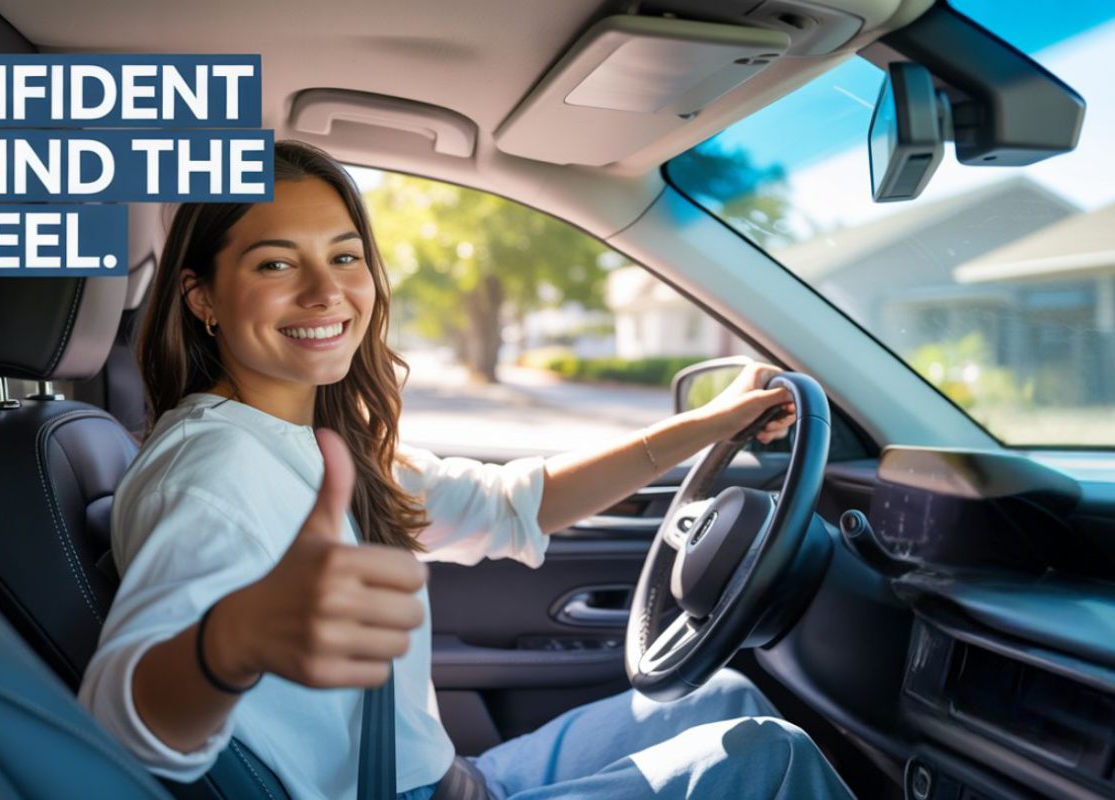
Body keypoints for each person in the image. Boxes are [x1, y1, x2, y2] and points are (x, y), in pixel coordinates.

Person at [78, 140, 854, 800]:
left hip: (450, 778)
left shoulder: (312, 435)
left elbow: (509, 503)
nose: (327, 291)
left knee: (718, 697)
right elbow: (117, 724)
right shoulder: (213, 468)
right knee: (768, 759)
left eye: (344, 255)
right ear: (203, 297)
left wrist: (706, 425)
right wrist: (233, 640)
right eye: (276, 262)